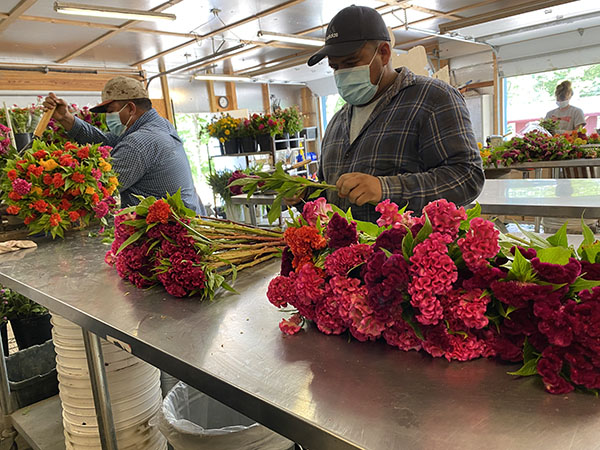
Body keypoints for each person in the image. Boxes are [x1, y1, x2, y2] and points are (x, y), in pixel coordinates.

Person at [296, 5, 484, 222]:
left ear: (384, 53)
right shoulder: (338, 121)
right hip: (344, 253)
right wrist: (304, 194)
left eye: (350, 63)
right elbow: (329, 192)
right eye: (335, 67)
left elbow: (467, 177)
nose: (342, 74)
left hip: (406, 253)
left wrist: (385, 189)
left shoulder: (433, 98)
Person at [43, 76, 205, 214]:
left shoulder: (139, 142)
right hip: (188, 219)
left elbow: (100, 187)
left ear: (131, 108)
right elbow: (105, 143)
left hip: (168, 232)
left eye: (111, 111)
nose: (108, 117)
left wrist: (44, 191)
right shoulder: (160, 125)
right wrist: (65, 118)